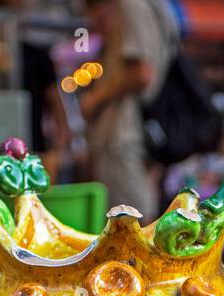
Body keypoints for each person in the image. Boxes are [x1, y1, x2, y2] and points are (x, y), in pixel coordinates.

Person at [79, 0, 178, 219]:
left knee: (130, 220)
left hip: (121, 135)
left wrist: (94, 99)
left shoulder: (132, 5)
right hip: (125, 134)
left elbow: (142, 73)